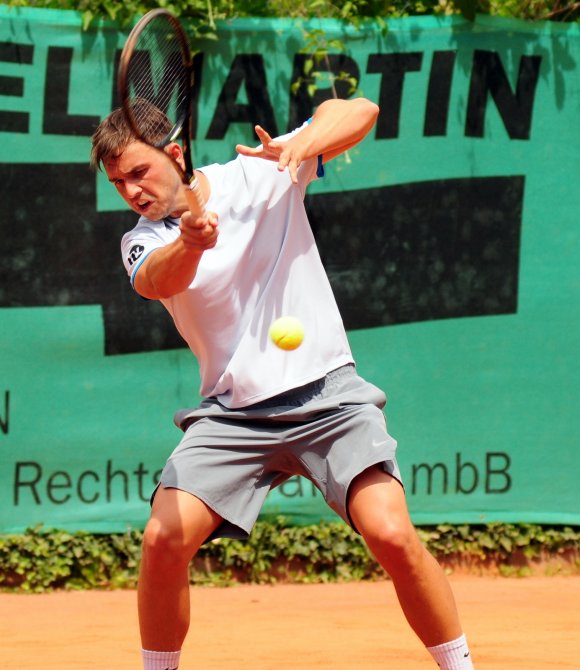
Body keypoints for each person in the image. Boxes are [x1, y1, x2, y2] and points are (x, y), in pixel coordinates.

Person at [90, 97, 474, 670]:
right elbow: (154, 282)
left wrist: (305, 143)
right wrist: (191, 241)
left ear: (175, 152)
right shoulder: (142, 240)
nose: (132, 191)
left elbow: (361, 109)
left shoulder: (257, 172)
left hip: (328, 397)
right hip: (233, 416)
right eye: (119, 181)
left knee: (391, 534)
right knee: (162, 541)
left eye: (139, 172)